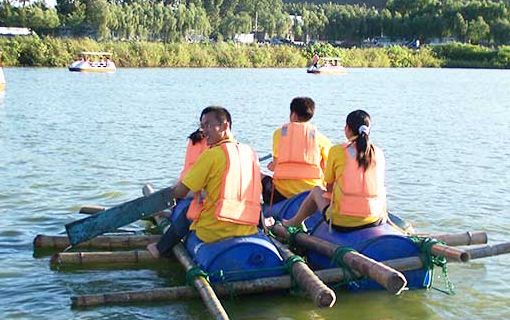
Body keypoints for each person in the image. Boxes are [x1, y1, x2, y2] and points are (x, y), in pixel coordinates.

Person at [147, 106, 262, 258]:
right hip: (248, 227)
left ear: (225, 125)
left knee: (188, 212)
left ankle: (159, 249)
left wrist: (169, 192)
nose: (204, 131)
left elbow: (181, 192)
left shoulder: (212, 155)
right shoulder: (250, 152)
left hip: (214, 231)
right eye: (202, 126)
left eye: (208, 125)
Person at [283, 110, 386, 231]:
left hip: (342, 221)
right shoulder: (378, 153)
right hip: (374, 219)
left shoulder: (337, 151)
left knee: (317, 190)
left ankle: (294, 222)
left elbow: (329, 188)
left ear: (347, 128)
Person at [262, 97, 331, 205]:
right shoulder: (321, 139)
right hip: (312, 194)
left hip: (281, 195)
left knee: (260, 175)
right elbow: (330, 169)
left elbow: (275, 165)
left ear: (293, 114)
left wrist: (272, 165)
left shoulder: (279, 133)